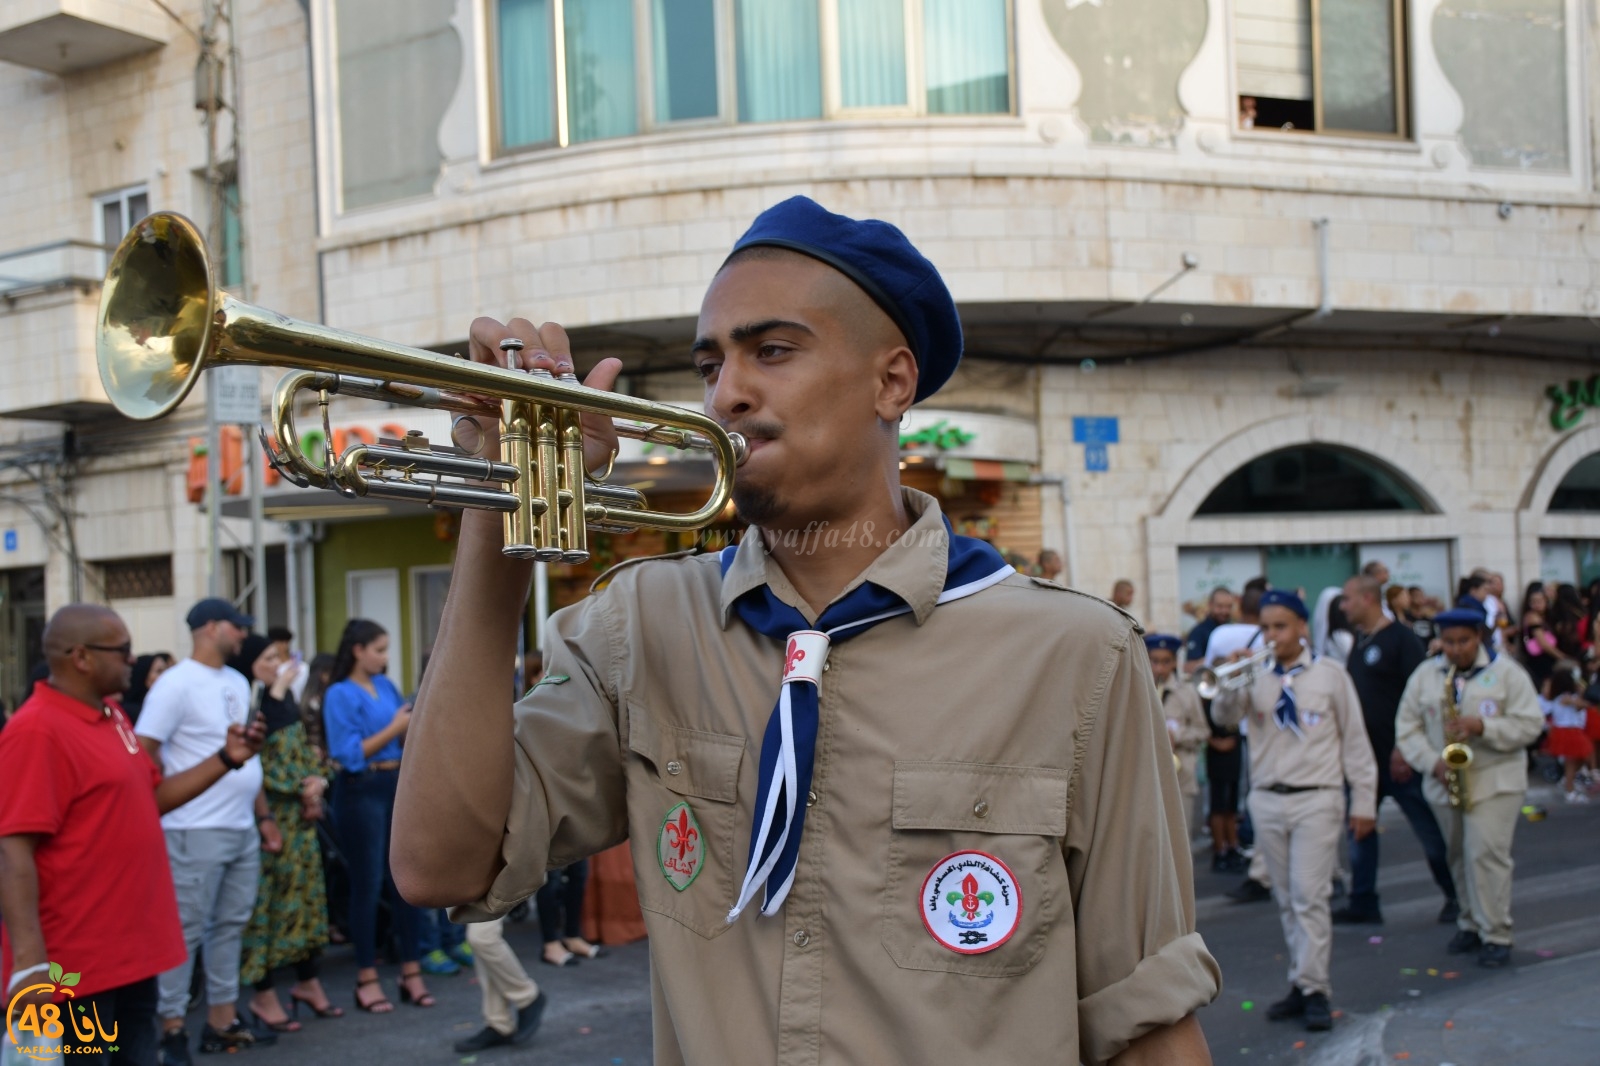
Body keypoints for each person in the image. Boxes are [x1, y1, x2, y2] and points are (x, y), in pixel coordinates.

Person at [392, 196, 1220, 1063]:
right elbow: (442, 867)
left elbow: (1147, 1022)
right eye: (710, 364)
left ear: (891, 382)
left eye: (773, 351)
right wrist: (497, 510)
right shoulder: (637, 626)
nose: (728, 393)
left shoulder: (1077, 656)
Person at [1, 605, 263, 1066]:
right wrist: (30, 964)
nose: (133, 659)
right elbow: (12, 850)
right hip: (73, 967)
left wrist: (227, 757)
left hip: (131, 952)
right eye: (122, 650)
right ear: (80, 657)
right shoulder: (35, 730)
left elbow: (150, 798)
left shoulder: (113, 715)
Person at [1212, 590, 1377, 1032]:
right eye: (1265, 627)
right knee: (1286, 898)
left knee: (1309, 896)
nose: (1271, 636)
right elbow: (1224, 716)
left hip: (1317, 797)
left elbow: (1356, 740)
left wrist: (1364, 800)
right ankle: (1301, 982)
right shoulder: (1255, 675)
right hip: (1267, 798)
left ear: (1302, 627)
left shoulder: (1330, 675)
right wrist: (1234, 679)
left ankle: (1316, 987)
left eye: (1280, 626)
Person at [135, 599, 281, 1064]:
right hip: (192, 827)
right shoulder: (175, 683)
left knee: (231, 926)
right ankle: (172, 1028)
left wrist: (263, 816)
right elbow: (144, 751)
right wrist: (155, 808)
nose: (242, 636)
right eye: (237, 627)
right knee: (186, 930)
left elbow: (246, 756)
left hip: (239, 824)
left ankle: (222, 1020)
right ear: (211, 628)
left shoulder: (237, 680)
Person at [1395, 605, 1543, 969]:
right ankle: (1470, 922)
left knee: (1486, 855)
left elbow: (1531, 725)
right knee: (1458, 855)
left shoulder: (1506, 673)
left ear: (1478, 637)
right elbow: (1407, 727)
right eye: (1448, 642)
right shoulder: (1427, 675)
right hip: (1446, 780)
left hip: (1495, 780)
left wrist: (1483, 728)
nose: (1456, 649)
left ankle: (1496, 932)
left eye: (1463, 641)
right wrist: (1432, 762)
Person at [322, 619, 431, 1013]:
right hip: (361, 790)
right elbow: (348, 754)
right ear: (357, 650)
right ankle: (366, 977)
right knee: (367, 885)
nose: (385, 658)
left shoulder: (385, 686)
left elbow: (402, 734)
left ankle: (411, 970)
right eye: (379, 649)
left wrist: (411, 725)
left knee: (406, 882)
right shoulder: (338, 693)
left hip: (396, 784)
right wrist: (396, 726)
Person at [1333, 576, 1456, 926]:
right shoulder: (1361, 641)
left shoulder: (1401, 639)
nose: (1343, 606)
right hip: (1364, 760)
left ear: (1367, 599)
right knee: (1361, 829)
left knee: (1429, 831)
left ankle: (1455, 895)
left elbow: (1420, 697)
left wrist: (1404, 748)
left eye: (1347, 599)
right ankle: (1363, 901)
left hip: (1399, 758)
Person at [230, 634, 338, 1032]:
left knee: (307, 905)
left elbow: (304, 755)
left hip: (301, 826)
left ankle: (308, 984)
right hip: (271, 823)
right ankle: (263, 994)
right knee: (269, 910)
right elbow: (265, 764)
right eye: (268, 657)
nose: (279, 664)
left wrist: (317, 782)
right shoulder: (252, 704)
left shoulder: (281, 700)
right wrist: (300, 786)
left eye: (280, 657)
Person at [1205, 581, 1268, 875]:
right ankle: (1237, 846)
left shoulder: (1220, 634)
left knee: (1233, 795)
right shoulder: (1248, 637)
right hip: (1238, 726)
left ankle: (1239, 846)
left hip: (1237, 726)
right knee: (1235, 794)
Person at [1146, 634, 1210, 840]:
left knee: (1178, 837)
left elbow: (1202, 731)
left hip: (1180, 774)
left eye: (1166, 662)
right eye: (1154, 662)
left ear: (1174, 662)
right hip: (1147, 773)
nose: (1159, 669)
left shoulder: (1187, 692)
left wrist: (1177, 735)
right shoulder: (1140, 689)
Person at [1539, 664, 1594, 804]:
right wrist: (1583, 695)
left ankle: (1567, 781)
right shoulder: (1564, 698)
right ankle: (1570, 791)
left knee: (1582, 756)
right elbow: (1580, 705)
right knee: (1571, 762)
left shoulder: (1565, 697)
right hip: (1567, 732)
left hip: (1571, 731)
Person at [1182, 587, 1235, 677]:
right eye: (1220, 606)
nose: (1224, 611)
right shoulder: (1198, 632)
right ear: (1210, 605)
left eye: (1228, 607)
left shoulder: (1234, 630)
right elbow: (1189, 667)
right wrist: (1217, 661)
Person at [1519, 582, 1560, 690]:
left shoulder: (1544, 617)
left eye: (1539, 601)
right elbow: (1543, 644)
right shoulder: (1533, 618)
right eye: (1533, 602)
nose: (1537, 605)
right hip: (1540, 661)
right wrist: (1562, 657)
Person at [123, 652, 174, 724]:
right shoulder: (130, 711)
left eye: (167, 670)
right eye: (159, 671)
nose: (166, 675)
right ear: (144, 677)